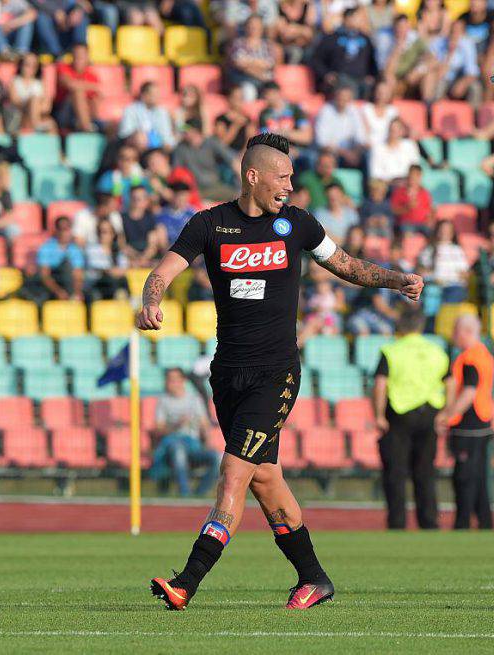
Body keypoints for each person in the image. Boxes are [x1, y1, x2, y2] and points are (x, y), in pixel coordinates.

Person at [137, 132, 423, 611]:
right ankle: (314, 578)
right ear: (254, 176)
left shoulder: (298, 225)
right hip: (227, 374)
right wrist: (152, 302)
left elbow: (347, 265)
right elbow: (162, 272)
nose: (290, 185)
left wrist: (396, 280)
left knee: (233, 473)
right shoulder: (210, 225)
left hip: (276, 374)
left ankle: (186, 581)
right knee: (266, 480)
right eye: (283, 176)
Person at [372, 307, 448, 530]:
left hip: (399, 413)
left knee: (395, 472)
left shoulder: (391, 351)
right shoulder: (437, 351)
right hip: (430, 413)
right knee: (425, 471)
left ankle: (397, 523)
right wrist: (446, 412)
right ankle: (429, 522)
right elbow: (450, 382)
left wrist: (378, 415)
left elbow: (380, 384)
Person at [435, 314, 494, 530]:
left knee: (464, 478)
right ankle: (485, 522)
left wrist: (449, 414)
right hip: (483, 421)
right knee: (478, 477)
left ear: (466, 332)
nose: (453, 335)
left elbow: (469, 392)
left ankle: (462, 523)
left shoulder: (470, 358)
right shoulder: (485, 354)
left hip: (469, 425)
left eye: (456, 330)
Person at [150, 368, 222, 497]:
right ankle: (185, 493)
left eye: (174, 379)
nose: (171, 383)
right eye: (169, 380)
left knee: (218, 457)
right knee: (178, 450)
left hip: (193, 445)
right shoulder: (163, 401)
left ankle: (200, 493)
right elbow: (159, 429)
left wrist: (208, 442)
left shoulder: (194, 400)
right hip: (172, 444)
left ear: (183, 380)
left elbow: (204, 424)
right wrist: (176, 425)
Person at [173, 118, 239, 202]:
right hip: (194, 189)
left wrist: (244, 185)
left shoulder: (211, 142)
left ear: (195, 131)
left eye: (186, 131)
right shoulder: (181, 148)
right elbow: (177, 171)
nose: (183, 134)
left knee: (237, 197)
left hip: (214, 186)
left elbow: (234, 161)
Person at [24, 215, 85, 303]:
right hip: (51, 286)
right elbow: (45, 275)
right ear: (56, 230)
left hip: (69, 284)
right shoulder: (46, 248)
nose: (65, 232)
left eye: (67, 228)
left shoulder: (75, 249)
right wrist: (58, 292)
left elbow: (78, 274)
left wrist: (77, 292)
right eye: (62, 229)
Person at [314, 85, 367, 169]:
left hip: (351, 152)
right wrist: (345, 153)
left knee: (366, 156)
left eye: (346, 98)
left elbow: (361, 138)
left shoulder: (355, 111)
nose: (342, 101)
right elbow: (322, 142)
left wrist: (355, 153)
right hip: (330, 152)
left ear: (350, 99)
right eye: (340, 97)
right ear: (335, 97)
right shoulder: (325, 111)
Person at [416, 219, 470, 303]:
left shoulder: (457, 250)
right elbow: (421, 270)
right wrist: (433, 277)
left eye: (448, 230)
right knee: (431, 293)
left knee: (455, 294)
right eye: (442, 229)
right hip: (434, 285)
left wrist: (452, 278)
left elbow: (465, 273)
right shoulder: (429, 249)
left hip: (454, 286)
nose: (445, 232)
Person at [53, 43, 99, 132]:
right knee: (78, 92)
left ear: (87, 57)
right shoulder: (63, 68)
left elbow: (99, 91)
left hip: (85, 114)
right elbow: (69, 84)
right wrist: (90, 86)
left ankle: (87, 124)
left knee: (94, 100)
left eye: (81, 56)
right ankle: (87, 127)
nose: (78, 59)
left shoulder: (92, 75)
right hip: (63, 113)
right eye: (76, 55)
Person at [118, 81, 176, 150]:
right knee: (140, 139)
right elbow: (125, 133)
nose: (157, 97)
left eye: (158, 94)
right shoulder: (130, 110)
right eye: (154, 94)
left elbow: (166, 135)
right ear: (144, 95)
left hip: (158, 148)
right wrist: (141, 137)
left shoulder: (162, 112)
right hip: (135, 147)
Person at [84, 219, 129, 300]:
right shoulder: (91, 249)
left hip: (113, 282)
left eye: (105, 232)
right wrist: (113, 271)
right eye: (99, 232)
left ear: (112, 234)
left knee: (122, 280)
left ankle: (130, 304)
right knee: (109, 279)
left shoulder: (117, 252)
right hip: (97, 284)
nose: (102, 235)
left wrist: (113, 271)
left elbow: (123, 268)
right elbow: (100, 269)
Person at [369, 118, 419, 183]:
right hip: (387, 185)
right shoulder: (378, 149)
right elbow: (375, 174)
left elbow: (415, 168)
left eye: (397, 130)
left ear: (402, 131)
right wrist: (391, 181)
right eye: (392, 130)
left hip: (406, 183)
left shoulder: (410, 145)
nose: (395, 133)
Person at [121, 185, 161, 267]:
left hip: (147, 258)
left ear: (146, 200)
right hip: (128, 258)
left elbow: (152, 246)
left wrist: (143, 259)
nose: (136, 201)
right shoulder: (121, 218)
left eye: (139, 198)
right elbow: (122, 244)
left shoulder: (150, 219)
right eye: (133, 198)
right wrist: (136, 258)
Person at [389, 165, 433, 236]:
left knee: (432, 233)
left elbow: (429, 210)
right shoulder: (399, 192)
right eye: (411, 175)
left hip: (422, 224)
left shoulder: (425, 193)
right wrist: (406, 208)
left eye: (416, 176)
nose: (413, 178)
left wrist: (430, 220)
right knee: (407, 234)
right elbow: (393, 210)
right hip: (406, 224)